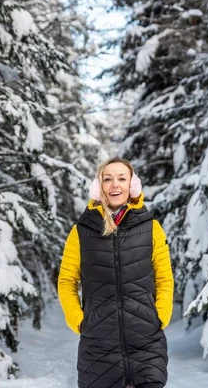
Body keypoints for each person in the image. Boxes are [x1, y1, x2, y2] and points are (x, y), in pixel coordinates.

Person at [58, 157, 174, 388]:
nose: (115, 185)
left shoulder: (151, 228)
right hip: (98, 347)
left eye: (122, 178)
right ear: (98, 186)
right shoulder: (81, 231)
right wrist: (80, 322)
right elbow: (67, 281)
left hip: (146, 343)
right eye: (107, 179)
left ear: (132, 185)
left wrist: (160, 316)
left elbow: (164, 279)